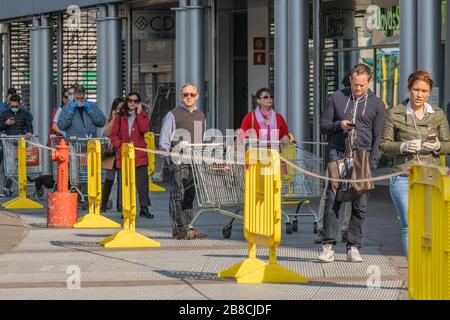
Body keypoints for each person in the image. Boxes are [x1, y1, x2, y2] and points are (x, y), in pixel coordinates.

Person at [319, 63, 386, 263]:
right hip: (337, 152)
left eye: (363, 85)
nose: (358, 89)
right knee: (333, 198)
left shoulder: (377, 104)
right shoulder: (337, 97)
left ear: (369, 82)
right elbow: (323, 126)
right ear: (350, 79)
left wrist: (372, 163)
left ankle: (354, 247)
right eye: (356, 84)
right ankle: (328, 245)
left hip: (362, 156)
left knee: (360, 202)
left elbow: (378, 138)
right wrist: (339, 125)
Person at [380, 70, 450, 258]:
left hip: (432, 177)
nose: (419, 94)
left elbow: (447, 144)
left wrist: (437, 146)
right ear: (409, 89)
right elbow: (384, 145)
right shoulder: (394, 114)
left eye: (424, 91)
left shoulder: (437, 114)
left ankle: (429, 267)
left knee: (432, 225)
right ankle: (414, 273)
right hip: (403, 176)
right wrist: (403, 146)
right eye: (416, 89)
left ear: (429, 92)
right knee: (409, 225)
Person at [159, 83, 207, 240]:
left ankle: (188, 227)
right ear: (181, 96)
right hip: (178, 161)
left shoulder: (200, 115)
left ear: (197, 96)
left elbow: (202, 138)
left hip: (195, 162)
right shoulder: (173, 114)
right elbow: (164, 140)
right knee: (176, 196)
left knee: (189, 196)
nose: (189, 97)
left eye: (192, 94)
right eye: (186, 94)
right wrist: (169, 161)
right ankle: (178, 229)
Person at [111, 92, 153, 219]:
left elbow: (144, 129)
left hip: (139, 154)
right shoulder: (120, 116)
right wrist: (119, 145)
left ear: (139, 102)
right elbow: (114, 134)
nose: (132, 103)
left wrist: (140, 113)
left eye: (135, 101)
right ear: (126, 101)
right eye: (130, 101)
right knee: (125, 183)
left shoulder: (143, 114)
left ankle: (144, 208)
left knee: (142, 183)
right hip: (123, 154)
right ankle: (126, 209)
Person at [0, 94, 33, 197]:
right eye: (12, 106)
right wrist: (6, 123)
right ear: (10, 104)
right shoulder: (4, 113)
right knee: (8, 167)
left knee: (22, 167)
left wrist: (29, 133)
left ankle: (23, 189)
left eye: (16, 106)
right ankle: (6, 188)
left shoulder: (25, 114)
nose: (14, 108)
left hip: (21, 143)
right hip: (8, 143)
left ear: (19, 103)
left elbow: (29, 127)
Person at [101, 97, 124, 213]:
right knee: (109, 179)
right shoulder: (111, 118)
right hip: (110, 151)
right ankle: (103, 205)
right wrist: (114, 119)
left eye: (122, 108)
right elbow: (106, 133)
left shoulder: (127, 118)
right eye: (118, 108)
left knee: (121, 179)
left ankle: (121, 205)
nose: (120, 111)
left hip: (121, 151)